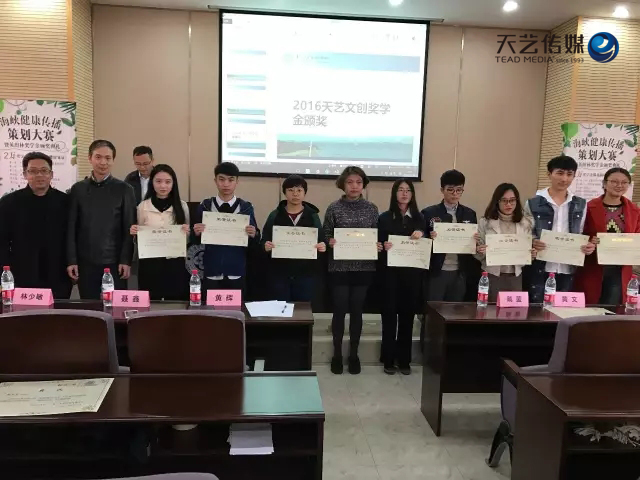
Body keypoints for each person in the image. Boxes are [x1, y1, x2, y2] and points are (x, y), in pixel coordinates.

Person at [324, 166, 381, 375]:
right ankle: (337, 355)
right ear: (343, 184)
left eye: (358, 182)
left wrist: (377, 245)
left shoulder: (372, 208)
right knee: (339, 310)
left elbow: (376, 234)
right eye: (350, 182)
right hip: (339, 267)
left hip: (364, 267)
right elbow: (325, 234)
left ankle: (354, 355)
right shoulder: (333, 208)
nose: (354, 186)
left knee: (357, 311)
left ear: (363, 185)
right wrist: (329, 241)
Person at [67, 140, 136, 299]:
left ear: (113, 160)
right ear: (90, 158)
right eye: (98, 157)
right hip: (85, 261)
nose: (103, 162)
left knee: (116, 305)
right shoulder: (78, 189)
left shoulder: (125, 189)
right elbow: (71, 227)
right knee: (88, 306)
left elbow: (129, 227)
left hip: (115, 262)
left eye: (108, 158)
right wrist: (71, 260)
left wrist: (126, 260)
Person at [0, 152, 72, 298]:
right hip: (21, 273)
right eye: (33, 171)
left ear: (51, 174)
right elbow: (2, 241)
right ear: (25, 174)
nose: (39, 175)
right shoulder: (9, 203)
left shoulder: (66, 202)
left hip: (58, 274)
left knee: (58, 311)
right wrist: (5, 272)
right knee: (25, 312)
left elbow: (73, 237)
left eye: (44, 170)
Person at [524, 156, 595, 302]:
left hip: (567, 267)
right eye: (560, 173)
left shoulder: (580, 204)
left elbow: (580, 233)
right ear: (549, 174)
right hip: (540, 266)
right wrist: (532, 241)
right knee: (536, 308)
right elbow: (525, 233)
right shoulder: (533, 203)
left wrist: (587, 246)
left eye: (569, 174)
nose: (564, 179)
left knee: (562, 308)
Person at [378, 179, 425, 375]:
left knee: (407, 316)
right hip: (390, 274)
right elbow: (378, 244)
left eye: (408, 190)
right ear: (394, 193)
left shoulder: (420, 218)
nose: (404, 193)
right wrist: (383, 245)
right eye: (401, 190)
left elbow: (428, 243)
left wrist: (422, 234)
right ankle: (388, 359)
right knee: (389, 316)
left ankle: (404, 360)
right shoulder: (384, 217)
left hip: (412, 275)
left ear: (412, 194)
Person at [574, 167, 640, 305]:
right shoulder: (588, 207)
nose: (619, 185)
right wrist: (589, 240)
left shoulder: (634, 210)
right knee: (590, 303)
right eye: (614, 181)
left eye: (624, 182)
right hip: (593, 265)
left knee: (613, 306)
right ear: (604, 183)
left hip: (620, 267)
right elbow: (578, 232)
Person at [193, 162, 259, 294]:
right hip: (212, 269)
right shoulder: (205, 206)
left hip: (236, 269)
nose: (226, 184)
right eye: (221, 179)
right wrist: (196, 232)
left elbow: (255, 240)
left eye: (231, 180)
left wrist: (254, 234)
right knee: (210, 306)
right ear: (215, 181)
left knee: (236, 306)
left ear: (237, 182)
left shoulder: (246, 207)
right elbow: (195, 240)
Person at [129, 164, 190, 300]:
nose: (163, 186)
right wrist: (134, 232)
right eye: (158, 181)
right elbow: (139, 237)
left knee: (176, 300)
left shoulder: (182, 206)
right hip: (149, 263)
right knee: (150, 300)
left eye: (168, 182)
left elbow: (187, 240)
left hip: (174, 263)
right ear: (152, 182)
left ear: (173, 183)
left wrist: (186, 233)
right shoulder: (142, 206)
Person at [262, 175, 326, 302]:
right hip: (280, 273)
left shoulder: (313, 216)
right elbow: (264, 239)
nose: (295, 194)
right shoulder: (275, 215)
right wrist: (265, 246)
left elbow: (321, 239)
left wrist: (322, 246)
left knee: (303, 308)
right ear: (285, 192)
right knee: (281, 308)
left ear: (304, 193)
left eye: (299, 190)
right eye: (290, 190)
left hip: (305, 273)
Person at [422, 169, 480, 302]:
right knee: (434, 307)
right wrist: (429, 238)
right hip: (437, 270)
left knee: (456, 308)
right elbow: (421, 240)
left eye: (459, 190)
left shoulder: (469, 214)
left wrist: (475, 240)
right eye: (450, 190)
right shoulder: (429, 213)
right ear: (442, 190)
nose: (455, 194)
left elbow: (474, 244)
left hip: (460, 270)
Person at [475, 183, 536, 302]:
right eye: (504, 201)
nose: (509, 204)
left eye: (512, 200)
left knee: (514, 311)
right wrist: (480, 251)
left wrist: (531, 255)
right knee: (491, 310)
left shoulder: (525, 223)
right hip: (492, 275)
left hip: (515, 276)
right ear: (497, 201)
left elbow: (526, 252)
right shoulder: (485, 222)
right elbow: (477, 252)